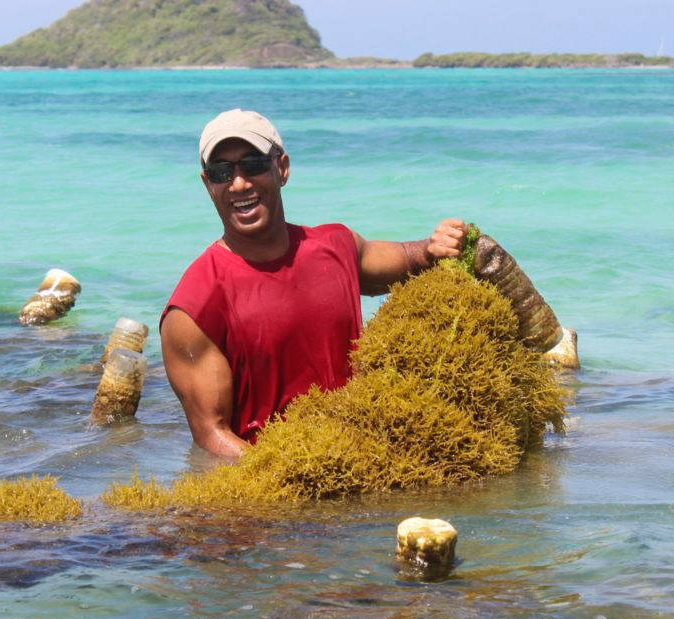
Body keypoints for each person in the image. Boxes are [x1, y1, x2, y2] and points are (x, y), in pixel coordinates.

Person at [161, 109, 467, 459]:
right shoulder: (194, 307)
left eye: (254, 164)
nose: (239, 183)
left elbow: (414, 258)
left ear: (283, 168)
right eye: (222, 172)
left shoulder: (337, 247)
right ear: (208, 184)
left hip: (363, 466)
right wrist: (292, 477)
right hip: (276, 492)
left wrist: (438, 244)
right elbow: (213, 435)